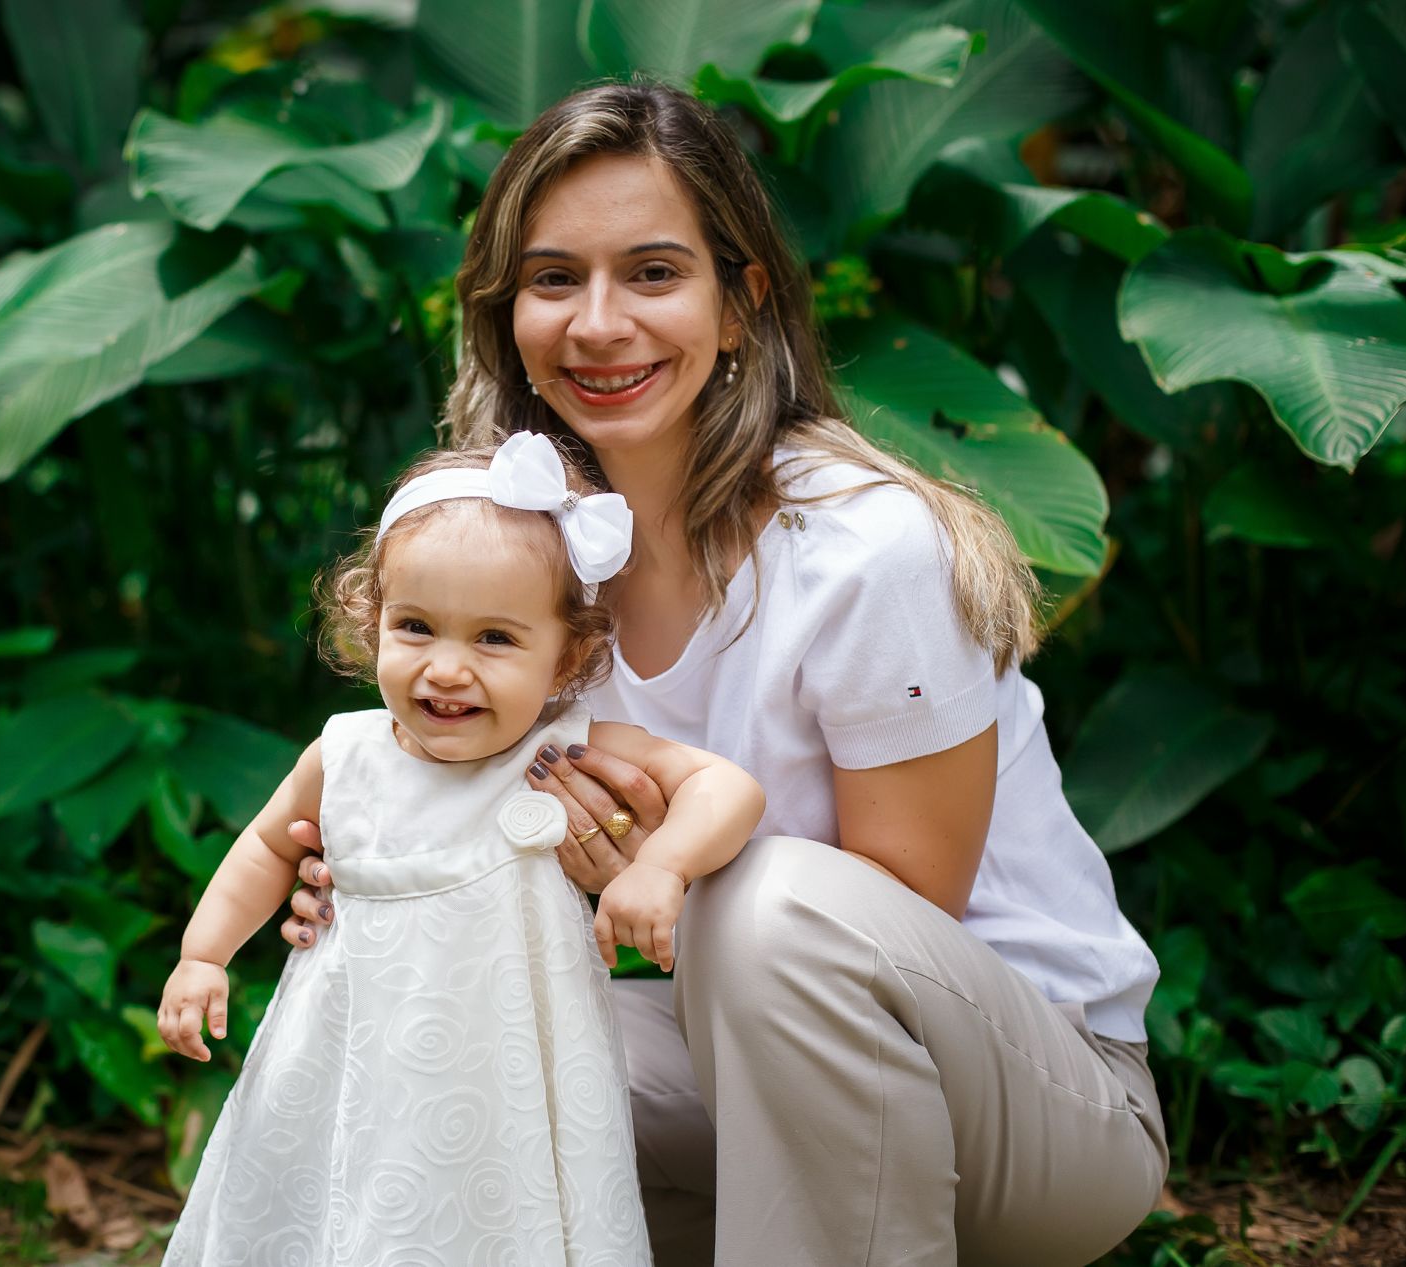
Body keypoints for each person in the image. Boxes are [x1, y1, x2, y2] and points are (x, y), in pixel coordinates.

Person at [278, 82, 1168, 1267]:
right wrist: (375, 887)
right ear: (506, 315)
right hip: (737, 1080)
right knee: (429, 1023)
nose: (599, 323)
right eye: (554, 279)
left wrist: (663, 866)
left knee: (770, 905)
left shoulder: (862, 550)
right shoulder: (519, 571)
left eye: (653, 273)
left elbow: (891, 923)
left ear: (742, 303)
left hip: (1032, 1108)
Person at [157, 431, 767, 1265]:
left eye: (494, 639)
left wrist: (662, 865)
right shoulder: (345, 754)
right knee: (337, 1207)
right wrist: (203, 955)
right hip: (351, 1053)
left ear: (568, 656)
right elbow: (267, 846)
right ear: (372, 620)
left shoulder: (560, 751)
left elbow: (726, 787)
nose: (446, 669)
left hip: (508, 1072)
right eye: (416, 626)